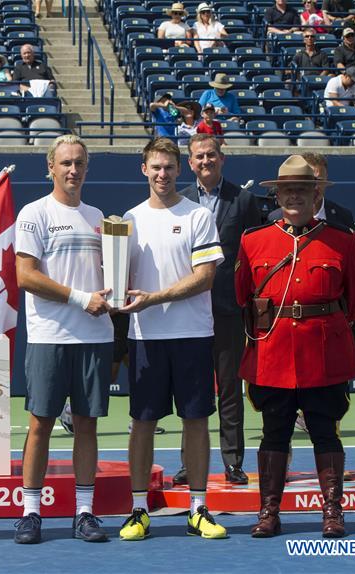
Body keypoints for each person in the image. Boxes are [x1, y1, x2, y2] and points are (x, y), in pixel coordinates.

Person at [237, 155, 355, 539]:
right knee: (274, 432)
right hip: (273, 352)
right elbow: (243, 296)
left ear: (316, 194)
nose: (293, 197)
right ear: (277, 195)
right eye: (286, 190)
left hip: (323, 352)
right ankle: (269, 512)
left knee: (325, 431)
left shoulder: (341, 240)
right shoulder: (254, 241)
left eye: (302, 190)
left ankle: (332, 511)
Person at [118, 137, 227, 541]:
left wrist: (155, 298)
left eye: (169, 167)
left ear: (180, 170)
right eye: (155, 167)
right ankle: (139, 509)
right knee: (141, 422)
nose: (162, 174)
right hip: (145, 336)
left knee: (196, 421)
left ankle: (198, 507)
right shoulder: (127, 220)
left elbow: (205, 278)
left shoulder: (198, 216)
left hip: (193, 335)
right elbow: (117, 278)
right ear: (143, 169)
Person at [12, 135, 113, 545]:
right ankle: (31, 513)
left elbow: (109, 275)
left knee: (86, 426)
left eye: (80, 164)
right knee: (41, 425)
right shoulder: (33, 214)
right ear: (51, 167)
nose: (73, 170)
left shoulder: (100, 217)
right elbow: (26, 277)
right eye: (66, 163)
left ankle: (84, 512)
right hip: (50, 335)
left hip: (95, 337)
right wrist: (79, 298)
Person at [170, 135, 262, 488]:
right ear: (189, 164)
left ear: (222, 159)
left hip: (227, 310)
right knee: (192, 390)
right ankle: (188, 463)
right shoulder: (180, 201)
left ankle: (233, 461)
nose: (205, 161)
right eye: (198, 157)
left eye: (210, 155)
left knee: (228, 388)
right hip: (189, 310)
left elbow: (253, 255)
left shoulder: (243, 199)